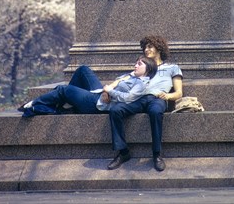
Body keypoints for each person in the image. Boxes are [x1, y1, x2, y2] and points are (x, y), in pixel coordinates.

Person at [108, 35, 183, 172]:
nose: (146, 50)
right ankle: (123, 152)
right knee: (115, 110)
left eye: (150, 46)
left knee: (155, 112)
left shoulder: (172, 68)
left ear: (159, 48)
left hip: (157, 99)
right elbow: (122, 80)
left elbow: (179, 93)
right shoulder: (143, 67)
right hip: (138, 98)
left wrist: (167, 95)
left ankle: (157, 155)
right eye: (145, 47)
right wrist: (109, 88)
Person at [18, 56, 157, 117]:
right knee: (83, 70)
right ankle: (67, 104)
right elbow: (118, 80)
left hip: (97, 105)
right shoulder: (133, 75)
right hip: (101, 94)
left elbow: (128, 98)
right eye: (136, 63)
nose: (135, 65)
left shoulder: (141, 84)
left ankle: (33, 104)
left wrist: (110, 91)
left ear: (148, 70)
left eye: (140, 64)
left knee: (62, 89)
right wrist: (107, 90)